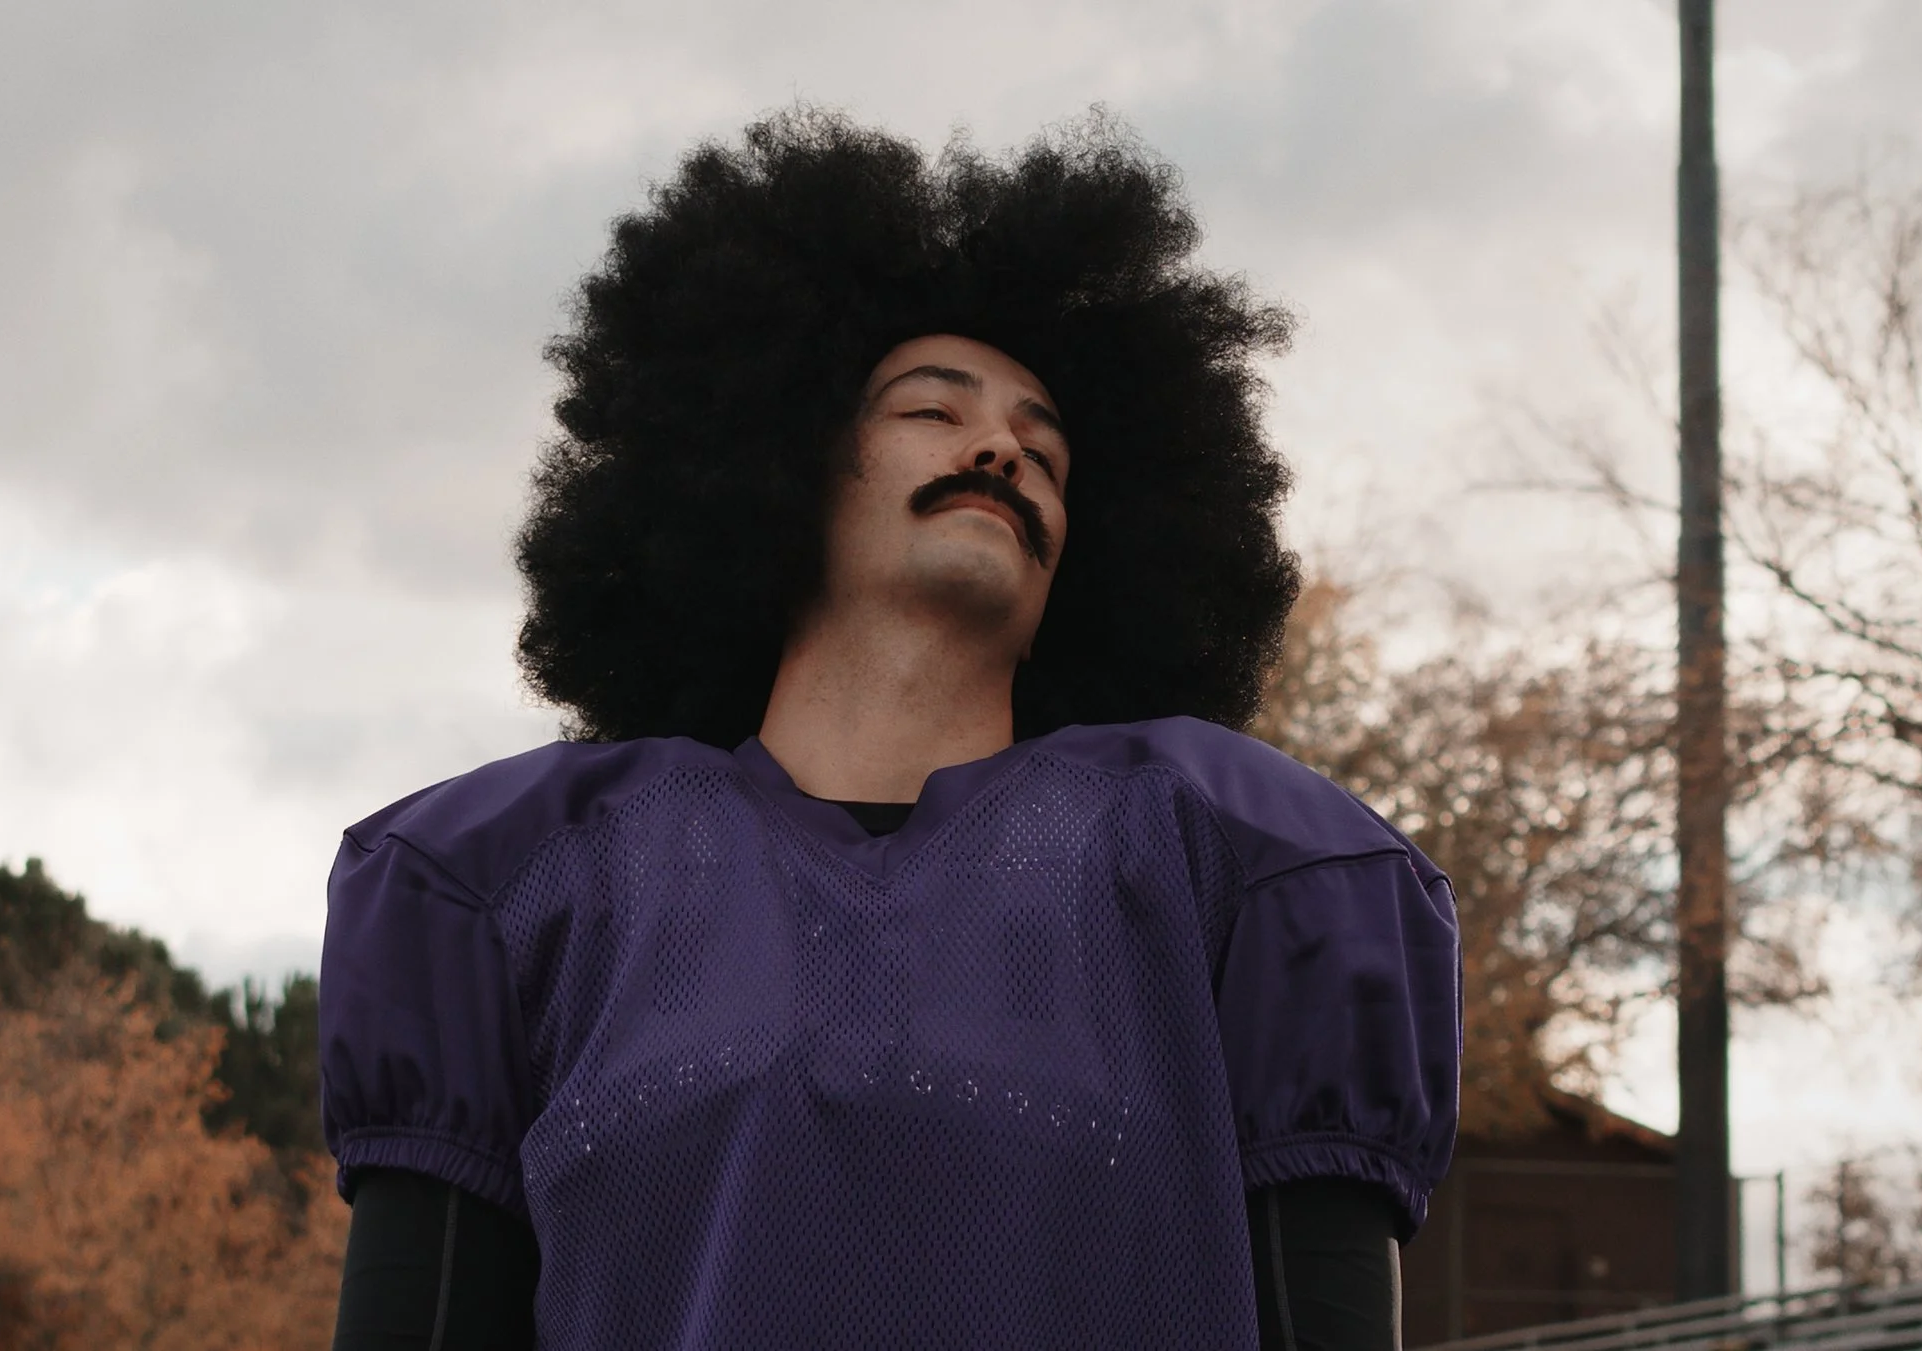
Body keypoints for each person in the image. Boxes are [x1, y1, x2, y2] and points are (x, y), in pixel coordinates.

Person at [321, 109, 1460, 1351]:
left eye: (1046, 451)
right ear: (778, 465)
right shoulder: (518, 873)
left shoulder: (1234, 860)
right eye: (932, 410)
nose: (998, 449)